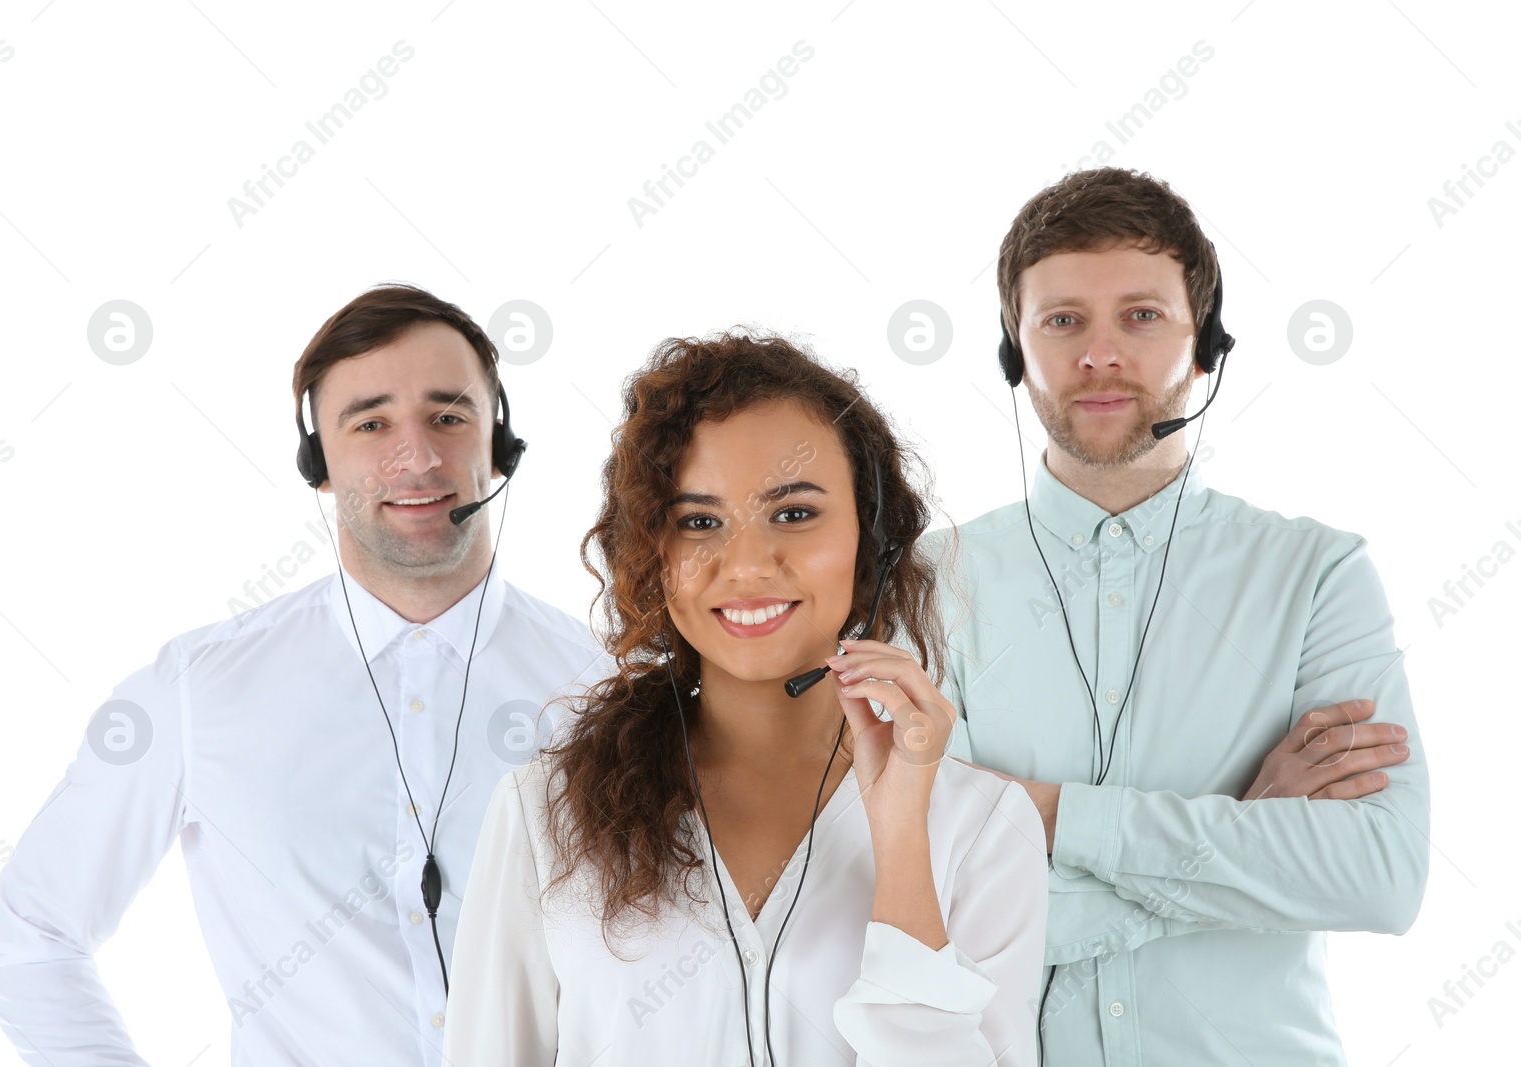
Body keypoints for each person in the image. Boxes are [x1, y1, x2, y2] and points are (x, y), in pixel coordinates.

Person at [0, 284, 611, 1065]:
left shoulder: (609, 690)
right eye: (371, 423)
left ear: (499, 444)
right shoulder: (196, 688)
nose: (416, 455)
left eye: (449, 416)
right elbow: (33, 937)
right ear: (318, 464)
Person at [929, 167, 1430, 1064]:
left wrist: (1047, 817)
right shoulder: (930, 582)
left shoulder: (1318, 575)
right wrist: (1246, 830)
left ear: (1208, 346)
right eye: (1063, 320)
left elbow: (1379, 877)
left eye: (1142, 315)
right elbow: (929, 912)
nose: (1101, 354)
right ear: (1015, 352)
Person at [441, 331, 1049, 1065]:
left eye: (794, 513)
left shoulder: (981, 827)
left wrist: (900, 840)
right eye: (699, 522)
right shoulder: (546, 815)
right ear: (652, 553)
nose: (750, 565)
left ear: (873, 536)